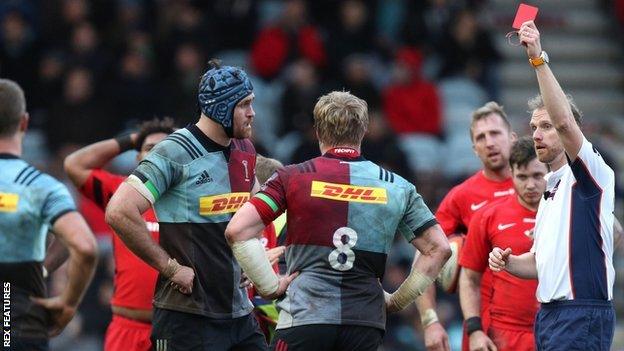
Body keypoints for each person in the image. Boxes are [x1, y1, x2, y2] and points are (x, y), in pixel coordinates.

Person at [224, 91, 451, 351]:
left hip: (304, 317)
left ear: (318, 132)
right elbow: (439, 248)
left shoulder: (293, 177)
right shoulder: (397, 186)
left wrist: (270, 286)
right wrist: (396, 301)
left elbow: (237, 230)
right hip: (365, 322)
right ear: (363, 131)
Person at [105, 59, 268, 350]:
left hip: (239, 315)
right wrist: (169, 268)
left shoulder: (244, 149)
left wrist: (252, 258)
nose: (252, 113)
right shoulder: (174, 151)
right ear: (221, 107)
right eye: (245, 104)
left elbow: (255, 211)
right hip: (187, 318)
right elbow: (119, 211)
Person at [489, 21, 615, 351]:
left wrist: (537, 59)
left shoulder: (590, 171)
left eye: (546, 126)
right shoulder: (550, 186)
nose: (538, 134)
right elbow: (540, 263)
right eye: (534, 126)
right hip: (548, 314)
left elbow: (564, 121)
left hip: (581, 312)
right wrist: (510, 262)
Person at [0, 79, 98, 350]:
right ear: (24, 123)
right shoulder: (42, 187)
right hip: (19, 314)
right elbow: (83, 246)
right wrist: (67, 303)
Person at [64, 117, 177, 351]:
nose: (157, 155)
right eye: (149, 149)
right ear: (138, 158)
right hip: (127, 327)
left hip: (175, 329)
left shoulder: (192, 200)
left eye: (165, 149)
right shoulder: (120, 192)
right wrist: (134, 139)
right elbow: (74, 164)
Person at [417, 101, 516, 351]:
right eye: (481, 137)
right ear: (474, 149)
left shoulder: (540, 185)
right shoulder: (462, 196)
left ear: (513, 138)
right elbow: (424, 254)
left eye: (495, 133)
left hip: (541, 316)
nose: (489, 142)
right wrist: (430, 321)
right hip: (482, 326)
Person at [459, 137, 546, 351]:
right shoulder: (488, 216)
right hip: (505, 333)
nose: (531, 185)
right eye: (522, 177)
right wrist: (475, 330)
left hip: (557, 327)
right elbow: (469, 278)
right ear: (511, 174)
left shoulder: (568, 214)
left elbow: (614, 233)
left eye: (537, 175)